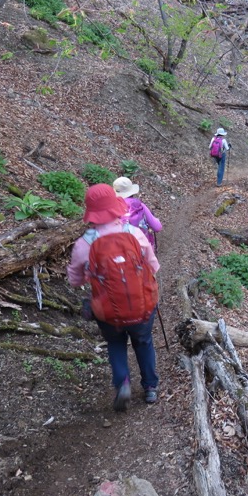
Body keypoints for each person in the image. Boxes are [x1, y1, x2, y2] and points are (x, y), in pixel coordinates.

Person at [67, 184, 161, 411]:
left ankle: (123, 383)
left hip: (108, 310)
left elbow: (75, 279)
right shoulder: (134, 234)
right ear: (116, 207)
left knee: (116, 344)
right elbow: (153, 266)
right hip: (141, 306)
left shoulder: (84, 244)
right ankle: (150, 387)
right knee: (144, 342)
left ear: (91, 214)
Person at [112, 176, 162, 250]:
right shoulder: (139, 206)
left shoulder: (111, 209)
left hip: (121, 251)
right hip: (143, 249)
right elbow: (157, 227)